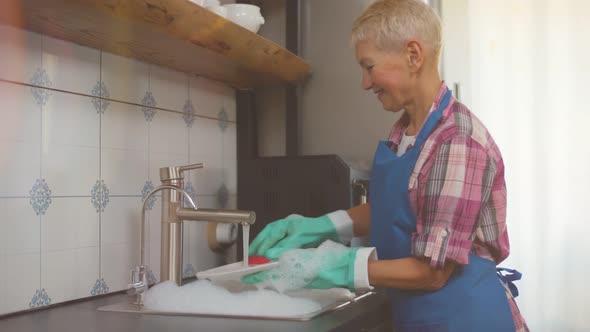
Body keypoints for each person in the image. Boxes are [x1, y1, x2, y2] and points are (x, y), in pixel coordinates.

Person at [243, 0, 528, 331]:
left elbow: (433, 272)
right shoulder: (405, 130)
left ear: (413, 55)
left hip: (465, 318)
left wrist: (336, 266)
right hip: (421, 316)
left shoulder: (457, 140)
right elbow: (401, 209)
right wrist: (322, 225)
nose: (365, 82)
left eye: (369, 66)